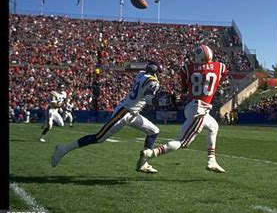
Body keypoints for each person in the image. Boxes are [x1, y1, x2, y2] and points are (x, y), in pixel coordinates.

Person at [51, 63, 167, 173]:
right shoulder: (152, 81)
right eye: (159, 72)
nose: (159, 75)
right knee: (99, 137)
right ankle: (64, 148)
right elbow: (148, 99)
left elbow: (135, 70)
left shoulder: (141, 74)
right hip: (124, 113)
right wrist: (163, 102)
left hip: (132, 113)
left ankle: (143, 163)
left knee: (153, 131)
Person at [137, 44, 228, 173]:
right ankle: (150, 153)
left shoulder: (187, 69)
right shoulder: (220, 67)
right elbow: (221, 78)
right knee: (182, 142)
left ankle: (211, 160)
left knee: (213, 127)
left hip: (191, 106)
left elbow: (185, 90)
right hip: (200, 109)